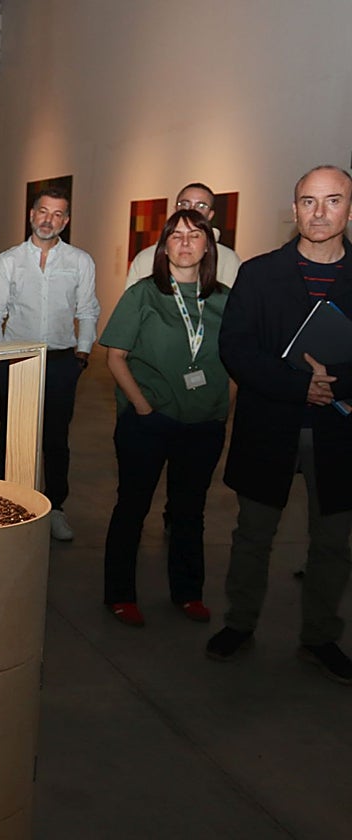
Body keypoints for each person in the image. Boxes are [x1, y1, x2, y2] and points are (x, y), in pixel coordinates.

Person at [206, 165, 352, 685]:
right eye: (308, 202)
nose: (319, 212)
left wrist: (335, 384)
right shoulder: (261, 272)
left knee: (334, 540)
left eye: (333, 201)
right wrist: (297, 387)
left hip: (339, 431)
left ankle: (320, 636)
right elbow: (235, 348)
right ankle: (240, 623)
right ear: (293, 210)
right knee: (253, 534)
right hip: (270, 422)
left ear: (349, 210)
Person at [98, 210, 229, 628]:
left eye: (195, 235)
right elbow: (115, 356)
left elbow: (239, 359)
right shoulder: (143, 294)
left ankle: (188, 593)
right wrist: (142, 407)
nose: (186, 243)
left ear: (209, 245)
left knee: (190, 512)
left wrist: (222, 403)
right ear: (164, 246)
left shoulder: (224, 298)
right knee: (132, 507)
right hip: (148, 423)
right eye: (176, 235)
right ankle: (120, 594)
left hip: (204, 425)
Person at [0, 187, 100, 541]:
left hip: (62, 360)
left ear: (65, 220)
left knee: (55, 438)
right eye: (43, 212)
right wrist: (0, 355)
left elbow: (88, 309)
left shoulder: (80, 261)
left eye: (58, 214)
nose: (49, 220)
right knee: (11, 433)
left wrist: (82, 351)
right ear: (31, 215)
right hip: (18, 358)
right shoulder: (9, 260)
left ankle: (56, 508)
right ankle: (2, 501)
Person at [126, 183, 241, 289]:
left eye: (201, 206)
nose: (191, 209)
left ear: (210, 215)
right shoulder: (146, 258)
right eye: (184, 204)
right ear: (175, 209)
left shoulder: (228, 259)